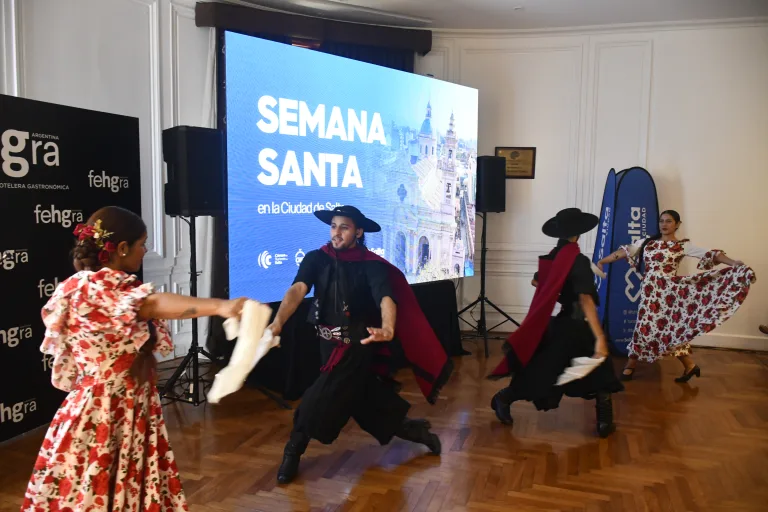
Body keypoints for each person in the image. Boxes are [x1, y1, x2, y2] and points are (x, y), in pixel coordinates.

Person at [21, 206, 247, 512]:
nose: (146, 250)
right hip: (107, 410)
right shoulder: (94, 289)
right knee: (94, 489)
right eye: (143, 244)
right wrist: (220, 307)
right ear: (123, 248)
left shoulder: (94, 287)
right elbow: (152, 304)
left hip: (125, 406)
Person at [267, 205, 452, 484]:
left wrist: (388, 327)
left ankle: (292, 451)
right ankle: (418, 433)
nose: (336, 232)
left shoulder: (371, 265)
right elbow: (298, 289)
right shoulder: (317, 258)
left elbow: (385, 297)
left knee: (317, 399)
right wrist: (277, 322)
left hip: (357, 346)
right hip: (326, 346)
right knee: (367, 402)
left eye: (344, 227)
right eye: (333, 226)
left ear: (358, 232)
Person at [489, 208, 623, 438]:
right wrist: (600, 337)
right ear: (578, 233)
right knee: (562, 372)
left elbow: (536, 281)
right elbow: (585, 299)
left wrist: (558, 292)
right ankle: (604, 421)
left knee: (551, 372)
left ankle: (504, 398)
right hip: (578, 326)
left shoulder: (554, 256)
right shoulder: (578, 260)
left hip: (562, 324)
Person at [598, 210, 755, 382]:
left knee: (660, 329)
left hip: (668, 295)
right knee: (653, 327)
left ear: (677, 224)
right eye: (661, 221)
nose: (664, 224)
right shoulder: (648, 243)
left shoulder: (682, 246)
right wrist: (603, 261)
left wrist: (733, 263)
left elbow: (711, 254)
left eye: (669, 221)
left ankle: (631, 365)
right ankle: (689, 366)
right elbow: (625, 251)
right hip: (649, 293)